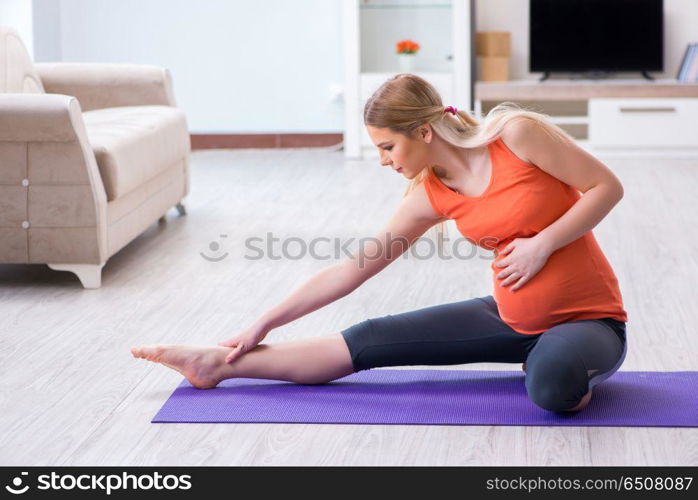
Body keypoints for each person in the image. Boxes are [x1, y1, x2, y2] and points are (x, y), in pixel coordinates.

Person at [131, 74, 628, 413]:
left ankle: (557, 360)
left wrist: (543, 243)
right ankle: (214, 366)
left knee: (553, 384)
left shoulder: (517, 135)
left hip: (587, 320)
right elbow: (353, 269)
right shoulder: (428, 195)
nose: (384, 161)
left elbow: (607, 187)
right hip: (508, 316)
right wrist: (263, 321)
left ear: (425, 131)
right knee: (369, 336)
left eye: (388, 146)